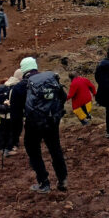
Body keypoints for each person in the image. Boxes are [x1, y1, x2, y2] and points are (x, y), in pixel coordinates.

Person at [10, 57, 67, 194]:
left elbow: (15, 114)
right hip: (52, 121)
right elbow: (63, 97)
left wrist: (15, 137)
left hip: (33, 124)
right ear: (35, 66)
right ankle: (62, 179)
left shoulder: (19, 87)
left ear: (23, 69)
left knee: (34, 151)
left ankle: (43, 182)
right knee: (55, 149)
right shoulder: (49, 79)